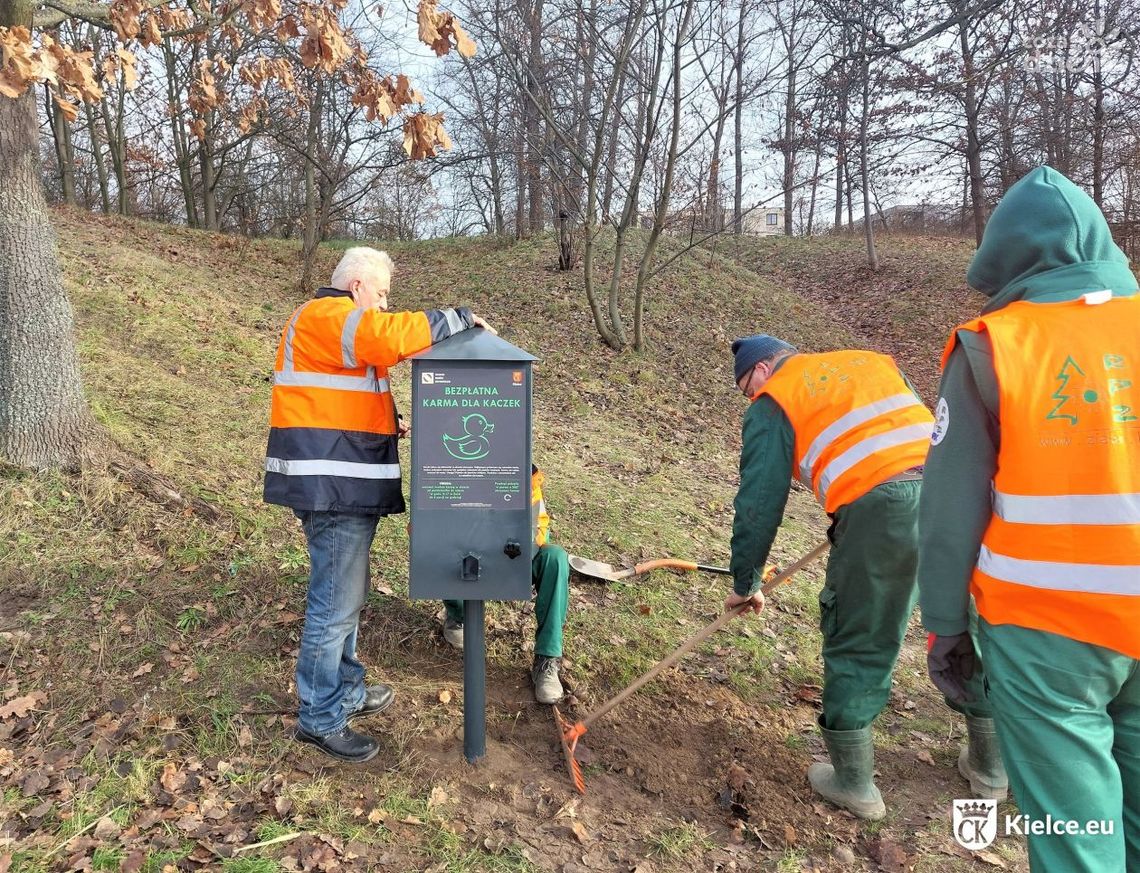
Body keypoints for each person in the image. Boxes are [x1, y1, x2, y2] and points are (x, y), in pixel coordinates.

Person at [918, 166, 1140, 871]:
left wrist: (946, 625)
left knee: (1077, 834)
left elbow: (950, 509)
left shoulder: (994, 344)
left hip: (1049, 635)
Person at [723, 335, 1003, 821]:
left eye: (748, 388)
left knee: (861, 634)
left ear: (763, 370)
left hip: (885, 511)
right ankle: (992, 769)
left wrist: (745, 582)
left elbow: (758, 501)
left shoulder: (775, 399)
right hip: (960, 493)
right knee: (971, 624)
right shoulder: (871, 362)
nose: (752, 398)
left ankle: (854, 783)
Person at [264, 246, 495, 763]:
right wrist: (455, 318)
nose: (387, 304)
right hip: (334, 487)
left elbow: (339, 397)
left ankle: (345, 689)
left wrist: (385, 425)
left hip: (339, 478)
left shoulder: (331, 324)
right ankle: (320, 717)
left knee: (346, 596)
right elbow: (387, 339)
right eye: (384, 293)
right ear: (357, 287)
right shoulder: (331, 315)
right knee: (334, 603)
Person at [441, 463, 570, 705]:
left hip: (514, 559)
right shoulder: (453, 467)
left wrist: (516, 547)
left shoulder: (525, 472)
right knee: (444, 545)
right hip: (470, 556)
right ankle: (458, 615)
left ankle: (547, 659)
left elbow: (539, 529)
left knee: (556, 558)